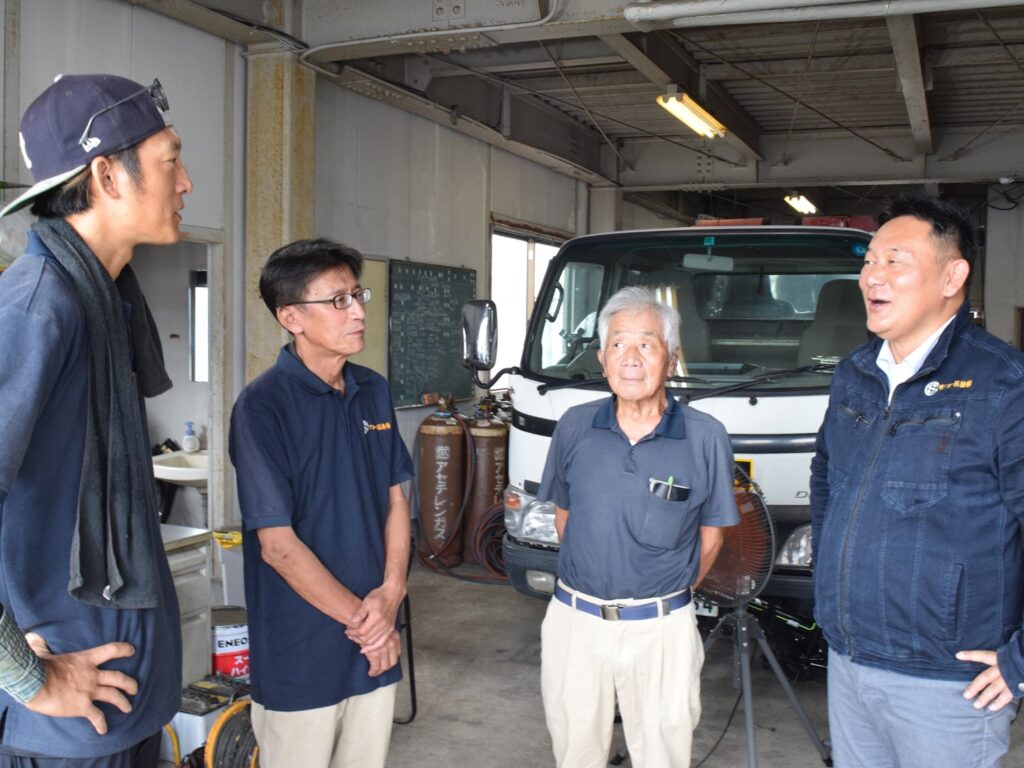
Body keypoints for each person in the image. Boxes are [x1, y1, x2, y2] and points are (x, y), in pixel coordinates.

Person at [0, 74, 193, 765]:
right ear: (107, 175)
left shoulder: (107, 303)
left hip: (123, 708)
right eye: (171, 161)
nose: (186, 183)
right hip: (65, 730)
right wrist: (26, 677)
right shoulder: (37, 309)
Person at [811, 192, 1024, 767]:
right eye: (868, 262)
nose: (872, 277)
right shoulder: (855, 372)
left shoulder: (1004, 384)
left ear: (952, 277)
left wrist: (1020, 661)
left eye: (894, 261)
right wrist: (831, 581)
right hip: (849, 661)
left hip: (948, 681)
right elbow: (827, 474)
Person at [536, 285, 739, 767]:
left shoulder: (705, 436)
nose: (631, 358)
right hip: (575, 624)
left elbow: (713, 533)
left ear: (671, 359)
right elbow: (566, 515)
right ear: (602, 359)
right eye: (618, 344)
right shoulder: (574, 426)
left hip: (662, 631)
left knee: (662, 756)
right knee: (575, 753)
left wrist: (663, 596)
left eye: (646, 344)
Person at [229, 238, 413, 768]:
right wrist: (369, 625)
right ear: (291, 317)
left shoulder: (372, 389)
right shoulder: (262, 407)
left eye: (357, 295)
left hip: (375, 637)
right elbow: (277, 547)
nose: (357, 312)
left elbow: (395, 500)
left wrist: (391, 594)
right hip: (302, 649)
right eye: (337, 301)